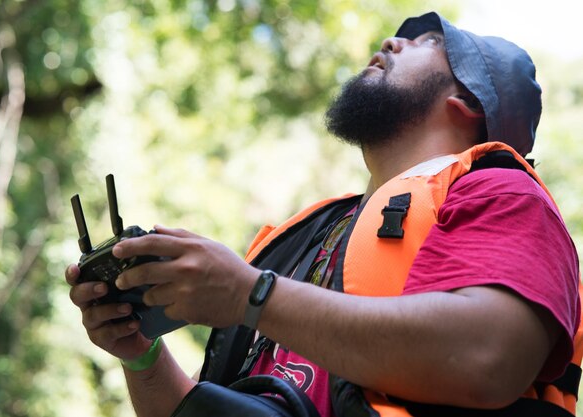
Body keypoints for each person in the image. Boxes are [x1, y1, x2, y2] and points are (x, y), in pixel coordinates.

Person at [66, 11, 581, 417]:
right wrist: (141, 356)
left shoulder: (502, 194)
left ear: (467, 101)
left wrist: (249, 295)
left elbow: (488, 359)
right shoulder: (311, 236)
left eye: (430, 44)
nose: (390, 43)